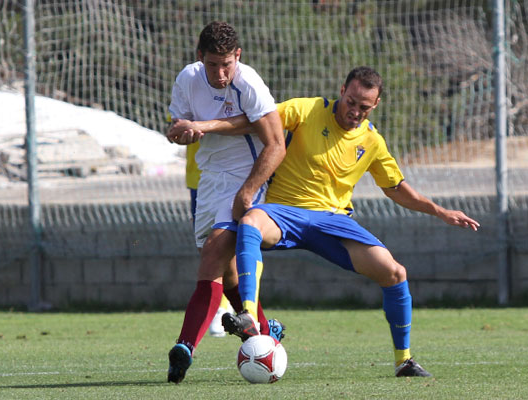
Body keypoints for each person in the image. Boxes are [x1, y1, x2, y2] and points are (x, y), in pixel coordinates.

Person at [171, 66, 480, 378]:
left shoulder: (372, 141)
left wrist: (441, 212)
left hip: (333, 221)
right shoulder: (307, 110)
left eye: (364, 107)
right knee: (250, 222)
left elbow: (396, 189)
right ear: (342, 89)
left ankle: (404, 360)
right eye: (351, 101)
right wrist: (202, 127)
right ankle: (249, 316)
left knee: (395, 272)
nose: (355, 111)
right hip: (283, 213)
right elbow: (257, 121)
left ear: (375, 106)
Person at [165, 21, 286, 384]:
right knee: (227, 272)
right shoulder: (188, 79)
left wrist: (248, 191)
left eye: (227, 64)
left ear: (238, 57)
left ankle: (184, 347)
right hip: (209, 180)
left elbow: (275, 144)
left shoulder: (248, 83)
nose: (220, 73)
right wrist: (182, 133)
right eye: (212, 64)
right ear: (199, 57)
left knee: (212, 258)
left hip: (246, 179)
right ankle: (264, 332)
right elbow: (180, 129)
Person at [183, 141, 233, 337]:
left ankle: (246, 310)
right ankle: (223, 306)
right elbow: (176, 127)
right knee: (207, 247)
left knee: (241, 241)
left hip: (236, 174)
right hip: (200, 177)